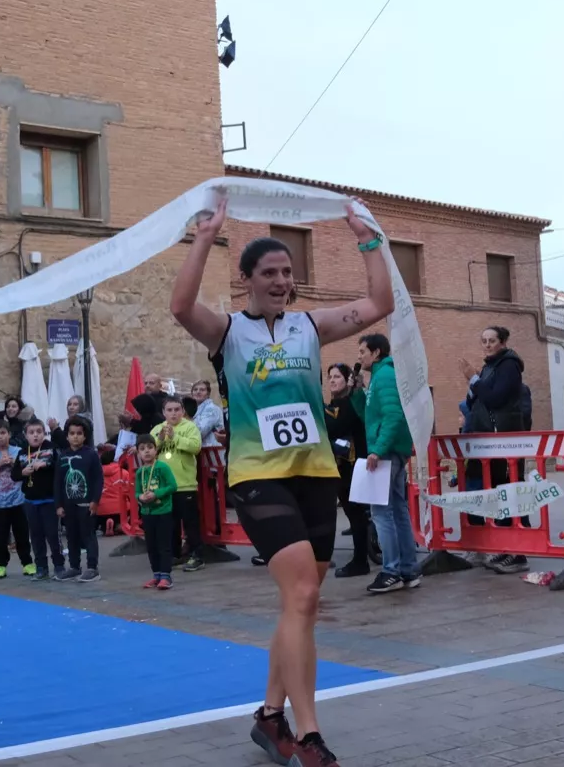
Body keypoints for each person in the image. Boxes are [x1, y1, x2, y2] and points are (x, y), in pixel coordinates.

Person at [170, 194, 392, 767]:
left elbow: (379, 303)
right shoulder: (227, 332)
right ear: (246, 279)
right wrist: (204, 237)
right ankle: (309, 734)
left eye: (287, 272)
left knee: (301, 603)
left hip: (315, 472)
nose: (281, 281)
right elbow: (180, 306)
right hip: (257, 476)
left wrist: (368, 239)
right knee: (304, 594)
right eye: (269, 272)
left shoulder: (309, 326)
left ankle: (270, 714)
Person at [463, 325, 529, 574]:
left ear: (503, 342)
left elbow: (495, 398)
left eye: (492, 340)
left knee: (509, 493)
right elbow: (476, 400)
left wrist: (473, 379)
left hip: (504, 439)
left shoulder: (509, 365)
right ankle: (503, 547)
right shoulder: (489, 367)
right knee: (497, 495)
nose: (487, 345)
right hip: (487, 440)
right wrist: (473, 385)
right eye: (484, 341)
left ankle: (518, 552)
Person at [358, 335, 417, 594]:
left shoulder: (384, 376)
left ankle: (391, 571)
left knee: (382, 513)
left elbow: (393, 415)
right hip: (392, 452)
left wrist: (378, 450)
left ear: (376, 353)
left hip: (387, 454)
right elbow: (370, 416)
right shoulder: (379, 377)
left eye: (363, 351)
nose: (359, 356)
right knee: (398, 511)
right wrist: (357, 394)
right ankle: (408, 570)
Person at [324, 364, 371, 579]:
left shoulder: (351, 402)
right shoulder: (336, 404)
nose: (332, 380)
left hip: (355, 465)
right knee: (352, 514)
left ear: (348, 380)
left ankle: (361, 561)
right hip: (341, 466)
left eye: (337, 377)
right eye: (330, 377)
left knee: (357, 514)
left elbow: (336, 426)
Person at [156, 396, 204, 572]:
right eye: (169, 410)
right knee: (170, 523)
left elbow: (195, 447)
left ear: (183, 411)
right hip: (165, 486)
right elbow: (149, 450)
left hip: (185, 484)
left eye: (177, 409)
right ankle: (174, 554)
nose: (173, 413)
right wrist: (160, 440)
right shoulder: (157, 429)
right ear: (164, 412)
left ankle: (197, 555)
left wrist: (175, 437)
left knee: (190, 523)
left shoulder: (190, 427)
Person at [53, 415, 103, 582]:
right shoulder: (62, 456)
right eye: (72, 433)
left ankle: (92, 568)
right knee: (72, 536)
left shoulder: (91, 455)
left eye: (79, 433)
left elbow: (98, 480)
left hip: (86, 504)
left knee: (88, 535)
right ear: (67, 436)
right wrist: (58, 505)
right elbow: (58, 482)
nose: (75, 436)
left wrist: (95, 501)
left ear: (85, 436)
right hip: (68, 505)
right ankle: (74, 567)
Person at [0, 419, 33, 579]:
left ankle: (27, 563)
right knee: (0, 537)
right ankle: (0, 565)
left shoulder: (19, 452)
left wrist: (13, 464)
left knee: (22, 534)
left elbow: (25, 473)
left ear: (9, 434)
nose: (0, 437)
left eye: (3, 433)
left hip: (18, 500)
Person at [19, 418, 65, 582]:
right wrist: (22, 472)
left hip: (49, 500)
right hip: (30, 501)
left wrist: (46, 465)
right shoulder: (22, 452)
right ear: (26, 435)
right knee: (36, 536)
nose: (35, 435)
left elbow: (60, 466)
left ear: (44, 433)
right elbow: (14, 474)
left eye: (39, 432)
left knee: (53, 535)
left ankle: (59, 566)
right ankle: (41, 567)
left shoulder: (51, 448)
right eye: (31, 432)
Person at [133, 434, 176, 589]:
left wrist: (156, 494)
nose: (147, 451)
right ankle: (156, 575)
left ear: (156, 450)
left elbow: (172, 486)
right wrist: (141, 497)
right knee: (151, 546)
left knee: (164, 544)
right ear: (138, 453)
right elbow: (137, 492)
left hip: (163, 512)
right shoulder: (140, 472)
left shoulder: (162, 467)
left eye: (150, 447)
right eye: (142, 449)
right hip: (147, 513)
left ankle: (166, 576)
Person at [192, 381, 226, 449]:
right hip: (200, 449)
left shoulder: (211, 409)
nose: (198, 392)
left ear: (208, 394)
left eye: (202, 390)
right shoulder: (195, 409)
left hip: (212, 450)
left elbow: (200, 432)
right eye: (195, 389)